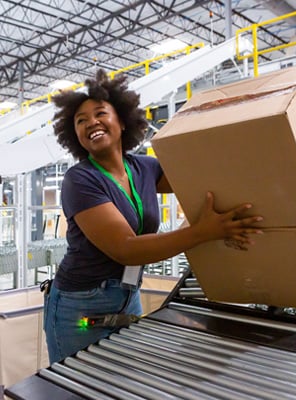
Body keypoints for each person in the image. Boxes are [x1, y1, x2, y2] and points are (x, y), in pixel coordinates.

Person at [43, 68, 264, 364]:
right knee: (76, 387)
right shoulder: (79, 180)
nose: (91, 123)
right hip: (81, 307)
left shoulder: (145, 168)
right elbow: (125, 248)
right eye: (81, 121)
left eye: (99, 114)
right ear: (75, 135)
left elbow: (202, 179)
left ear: (121, 121)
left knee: (120, 382)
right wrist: (203, 232)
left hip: (128, 293)